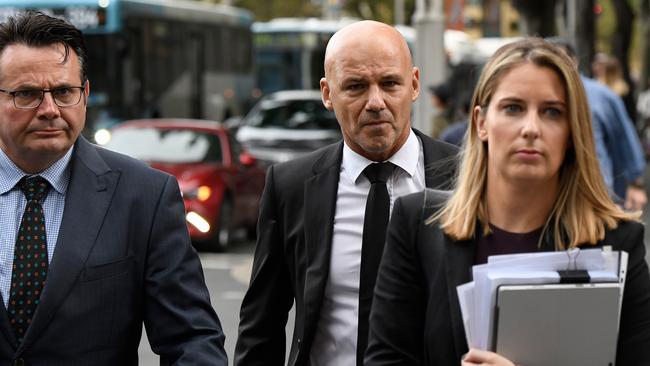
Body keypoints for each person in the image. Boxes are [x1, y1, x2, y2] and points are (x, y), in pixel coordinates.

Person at [365, 38, 650, 365]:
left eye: (552, 112)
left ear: (572, 132)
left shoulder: (618, 241)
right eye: (513, 108)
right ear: (481, 122)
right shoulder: (417, 223)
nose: (531, 128)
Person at [0, 12, 227, 365]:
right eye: (26, 94)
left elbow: (191, 340)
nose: (49, 109)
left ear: (85, 94)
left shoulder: (145, 197)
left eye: (63, 92)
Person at [235, 20, 457, 366]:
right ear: (327, 93)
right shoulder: (290, 186)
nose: (375, 102)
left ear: (414, 84)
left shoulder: (467, 177)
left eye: (389, 83)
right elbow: (261, 326)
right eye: (355, 86)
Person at [549, 38, 647, 211]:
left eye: (561, 59)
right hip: (548, 200)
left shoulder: (601, 97)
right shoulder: (533, 98)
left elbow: (624, 138)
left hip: (597, 197)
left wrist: (635, 184)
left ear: (574, 61)